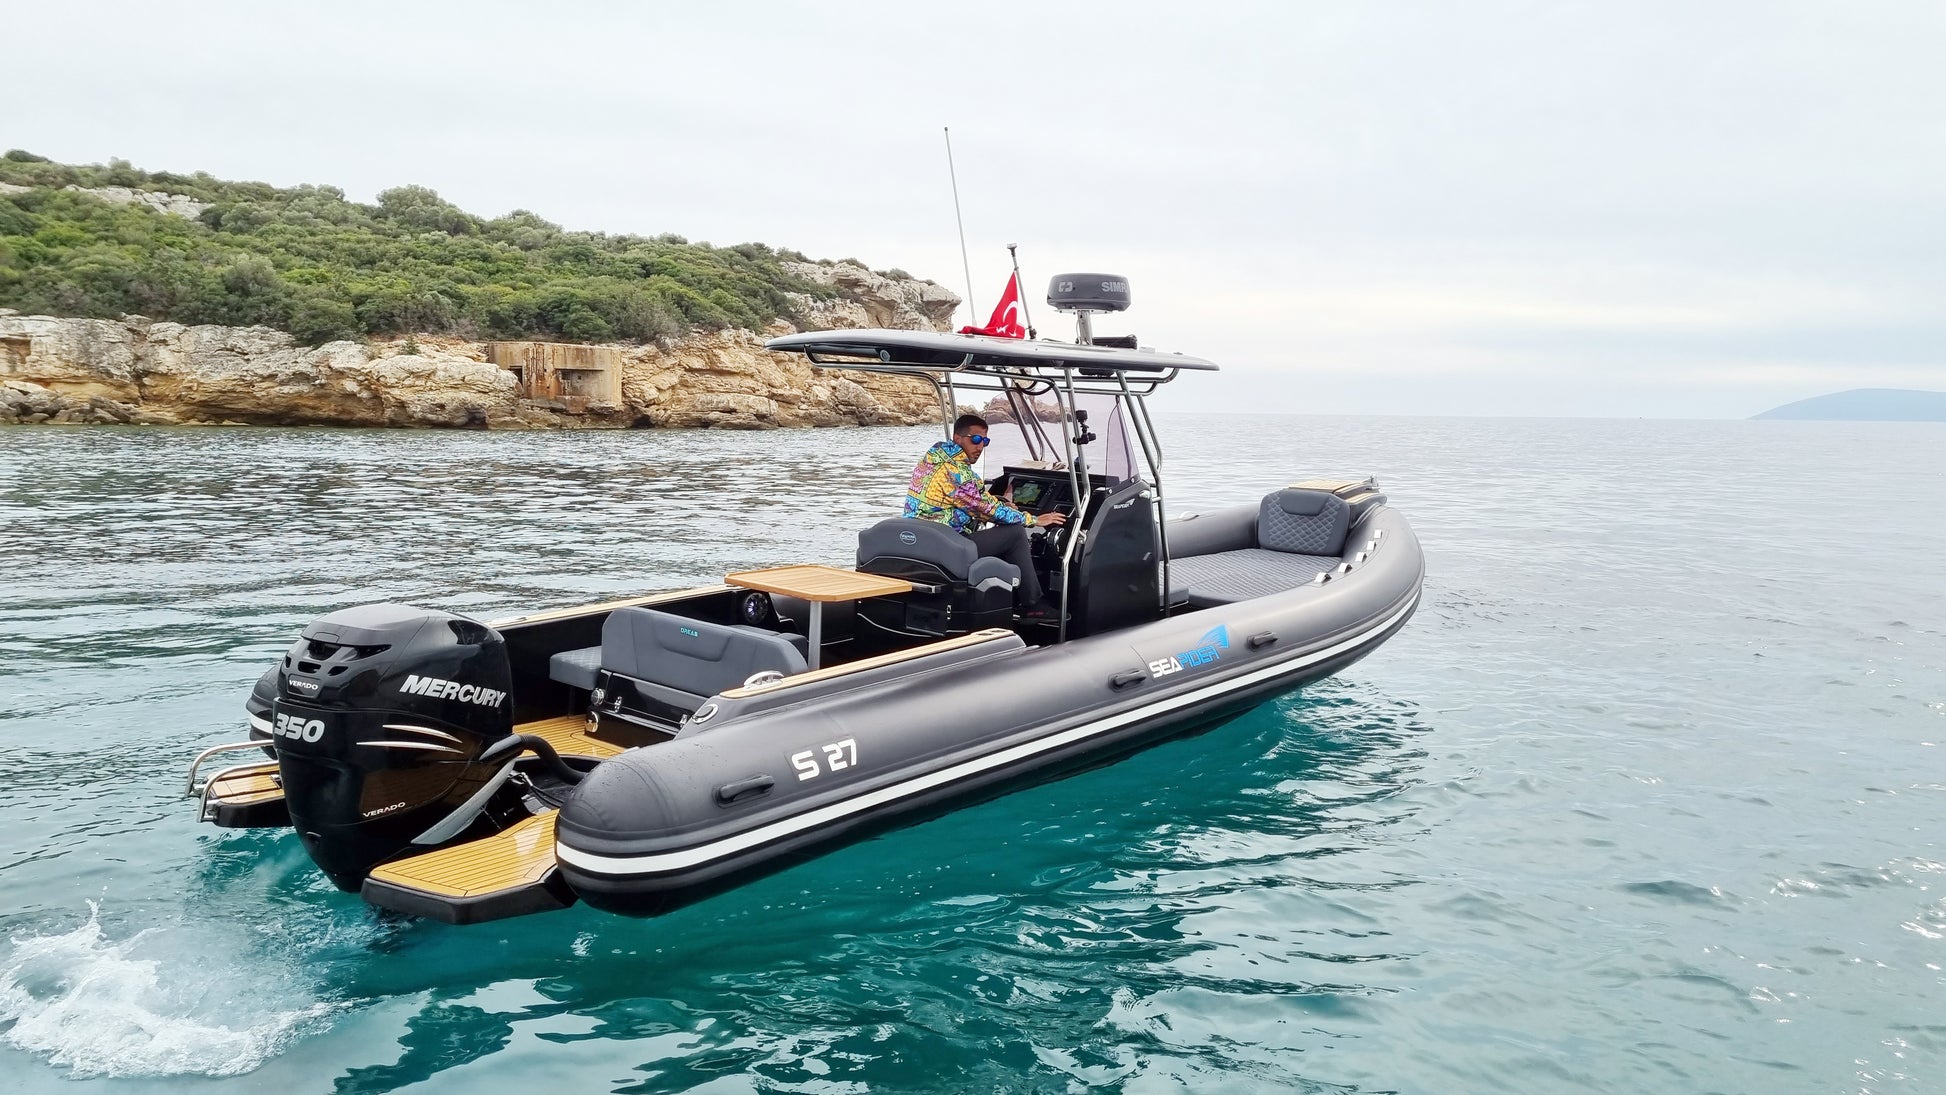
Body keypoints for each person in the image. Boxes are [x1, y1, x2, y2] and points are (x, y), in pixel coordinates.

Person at [904, 413, 1068, 618]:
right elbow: (983, 509)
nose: (980, 446)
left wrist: (1000, 502)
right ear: (958, 438)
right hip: (945, 546)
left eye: (985, 441)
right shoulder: (957, 471)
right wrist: (1034, 519)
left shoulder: (932, 458)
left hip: (922, 540)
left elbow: (972, 499)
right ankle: (1033, 605)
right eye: (975, 439)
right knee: (1016, 533)